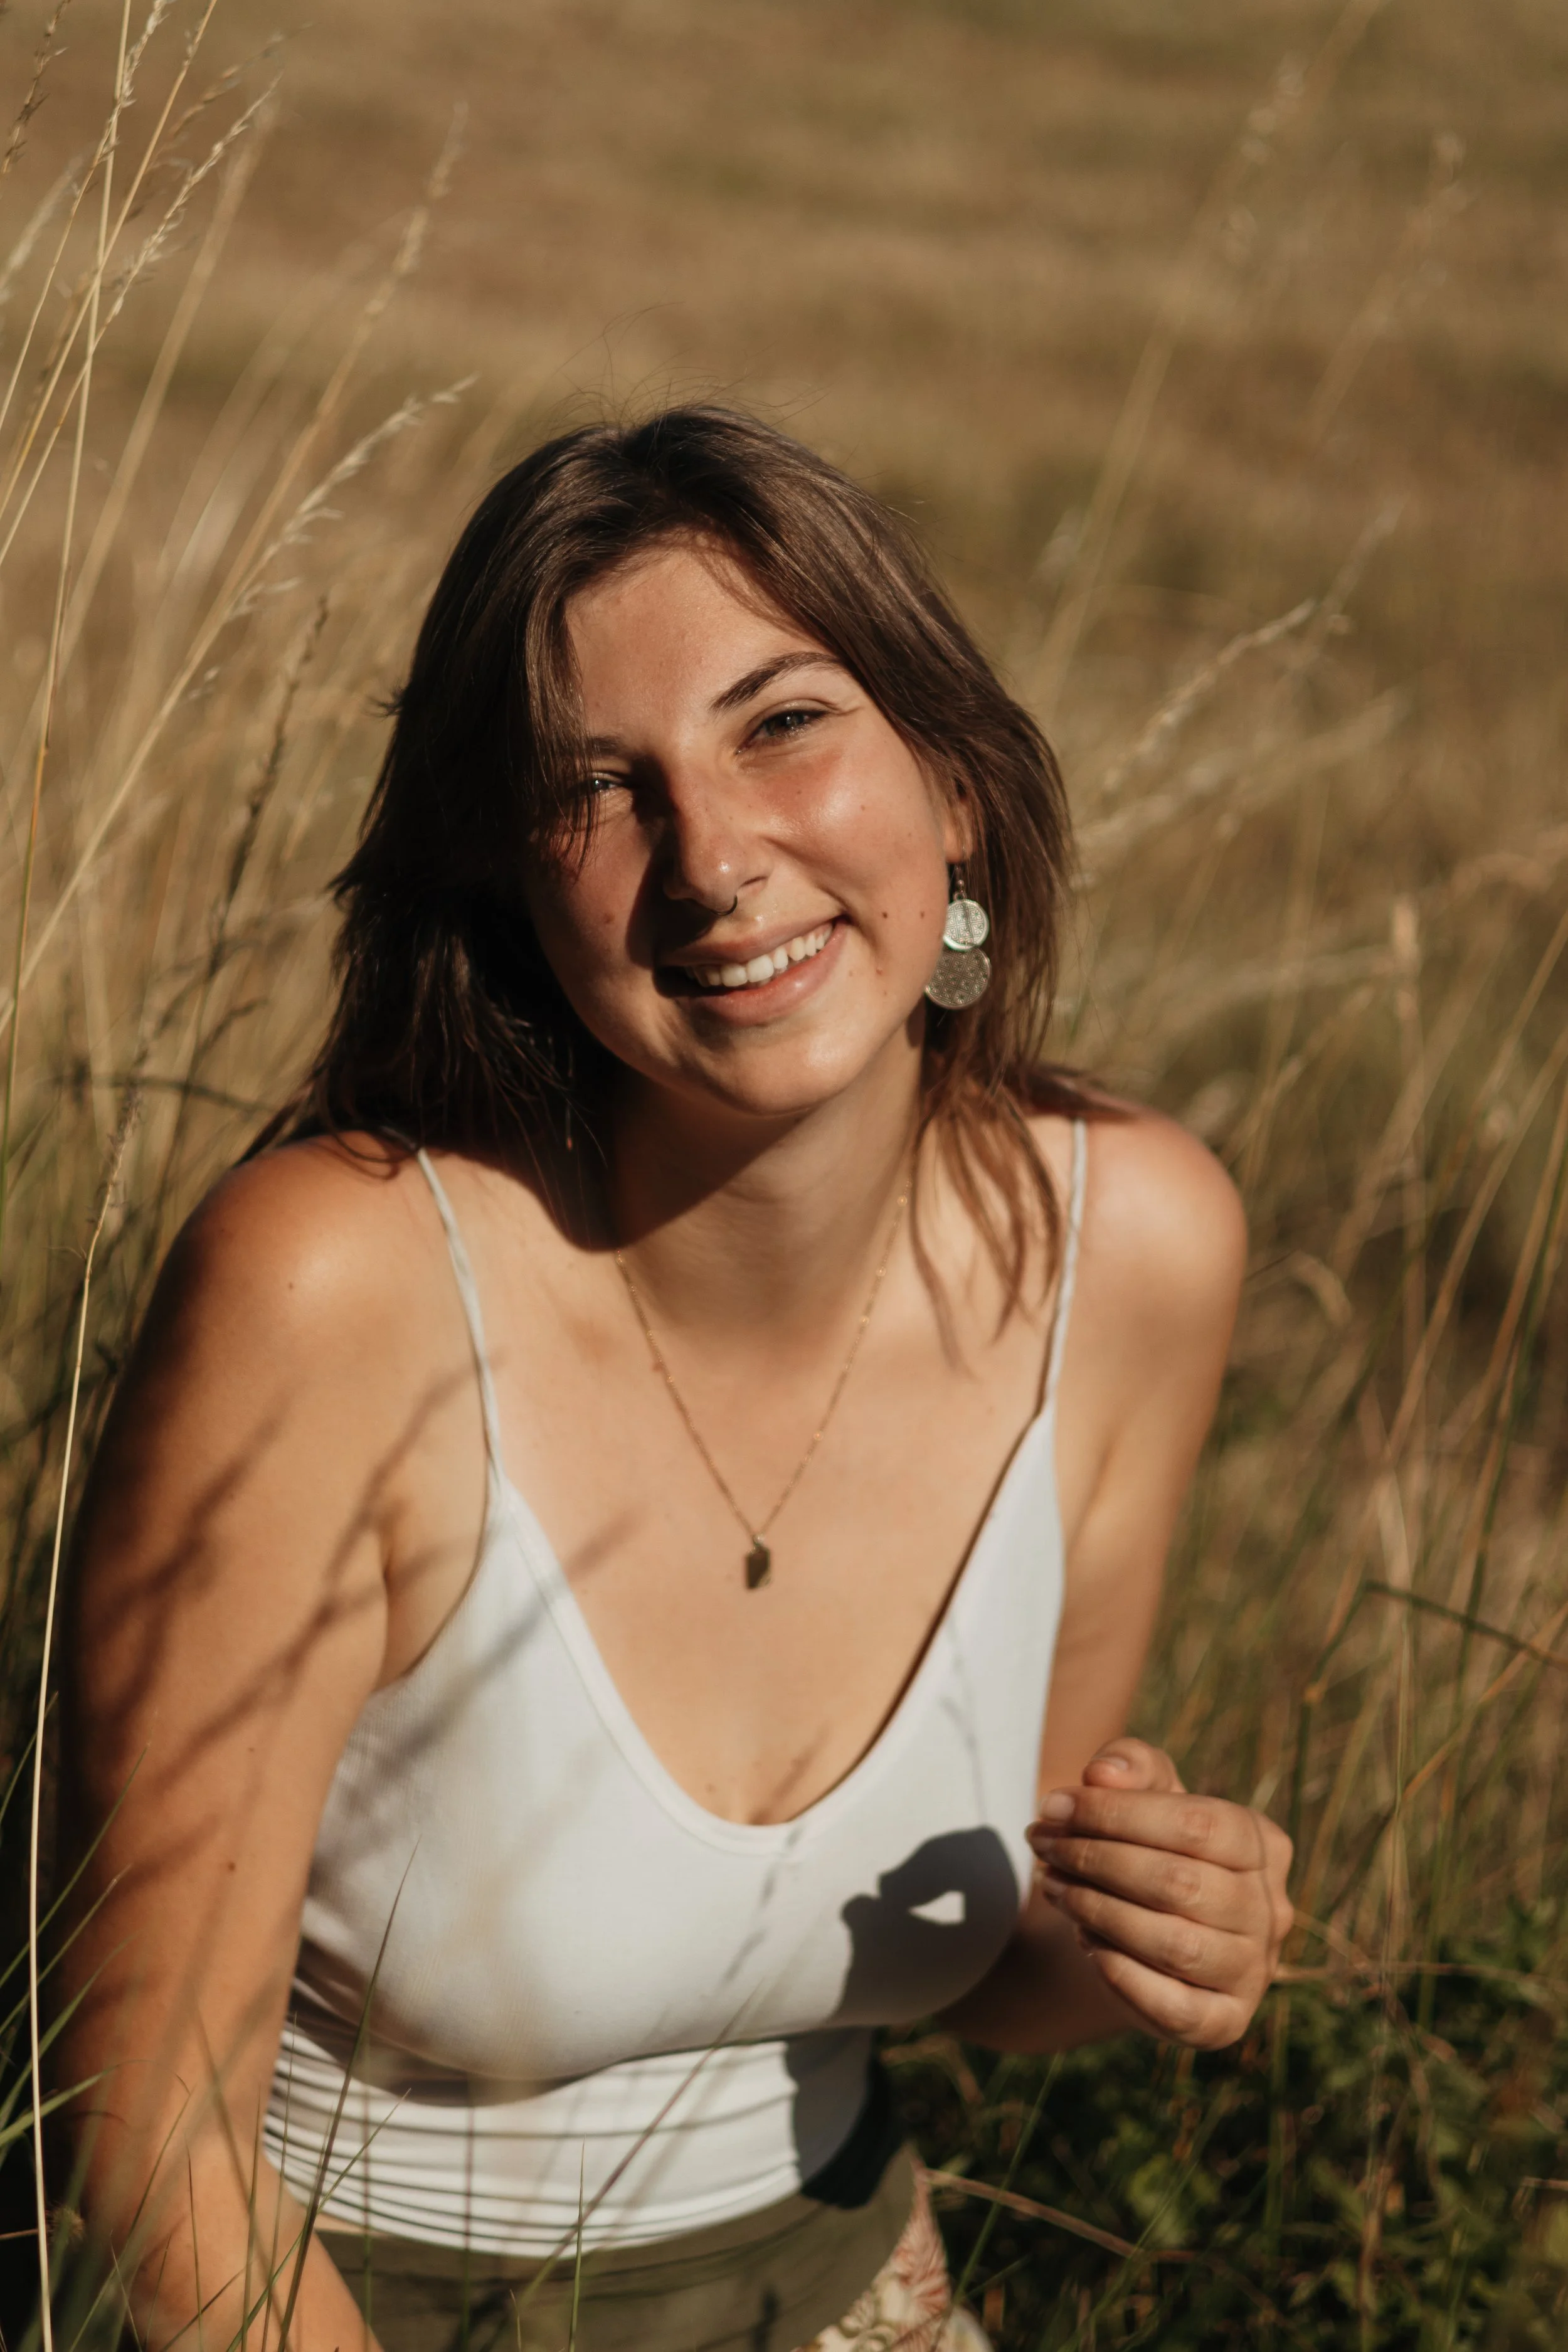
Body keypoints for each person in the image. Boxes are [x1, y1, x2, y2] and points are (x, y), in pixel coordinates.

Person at [59, 406, 1293, 2352]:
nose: (713, 856)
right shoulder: (337, 1288)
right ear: (508, 894)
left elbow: (978, 1953)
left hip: (846, 2282)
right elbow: (148, 2134)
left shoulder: (1131, 1244)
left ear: (955, 784)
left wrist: (1157, 1940)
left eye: (782, 722)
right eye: (592, 788)